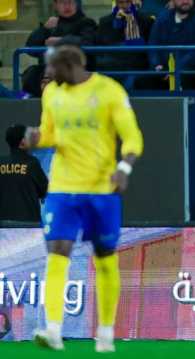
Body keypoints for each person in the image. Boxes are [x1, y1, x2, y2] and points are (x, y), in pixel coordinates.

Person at [24, 44, 144, 352]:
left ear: (73, 64)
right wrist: (37, 137)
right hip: (62, 188)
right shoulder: (52, 93)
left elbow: (132, 137)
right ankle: (53, 330)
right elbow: (51, 132)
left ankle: (105, 333)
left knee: (104, 259)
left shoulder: (109, 91)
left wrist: (124, 167)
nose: (47, 75)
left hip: (101, 190)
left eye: (52, 68)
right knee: (56, 254)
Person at [23, 0, 96, 97]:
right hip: (48, 69)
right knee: (31, 74)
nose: (67, 6)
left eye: (70, 2)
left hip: (74, 68)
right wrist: (44, 29)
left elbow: (87, 42)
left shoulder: (86, 23)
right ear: (55, 5)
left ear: (76, 4)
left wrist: (61, 41)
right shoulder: (52, 25)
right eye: (63, 2)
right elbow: (30, 48)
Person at [149, 0, 195, 89]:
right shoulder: (162, 19)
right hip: (164, 72)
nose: (185, 1)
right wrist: (157, 65)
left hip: (191, 73)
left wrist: (177, 68)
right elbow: (153, 45)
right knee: (142, 81)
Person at [95, 0, 155, 90]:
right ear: (116, 3)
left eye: (127, 2)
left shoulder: (145, 20)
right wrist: (117, 25)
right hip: (113, 66)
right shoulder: (105, 22)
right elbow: (101, 46)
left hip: (137, 66)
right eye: (121, 2)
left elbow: (150, 45)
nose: (124, 5)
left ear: (132, 3)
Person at [0, 124, 48, 222]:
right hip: (28, 224)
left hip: (3, 224)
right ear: (22, 142)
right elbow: (45, 190)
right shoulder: (32, 163)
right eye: (28, 136)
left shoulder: (1, 163)